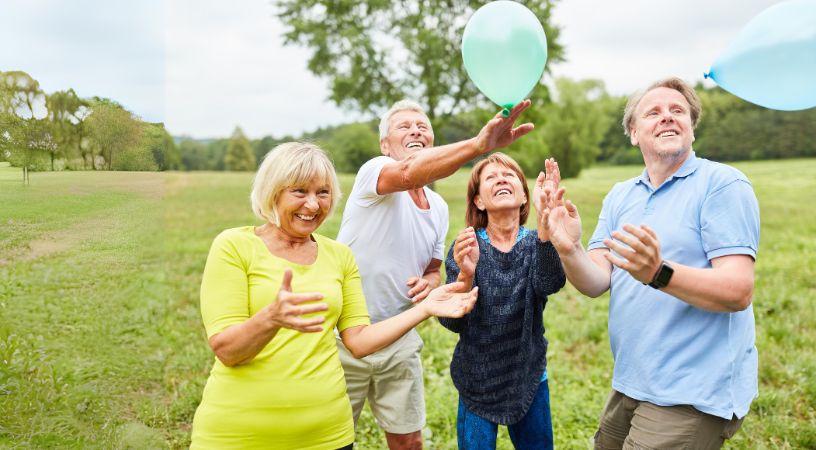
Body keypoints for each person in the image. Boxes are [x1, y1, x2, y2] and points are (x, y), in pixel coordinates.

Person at [191, 142, 478, 450]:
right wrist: (270, 318)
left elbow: (359, 341)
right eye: (299, 191)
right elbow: (227, 350)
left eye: (323, 193)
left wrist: (425, 309)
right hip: (239, 435)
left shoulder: (339, 255)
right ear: (272, 191)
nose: (313, 205)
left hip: (328, 435)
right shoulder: (234, 246)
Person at [539, 77, 761, 449]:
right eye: (653, 112)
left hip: (691, 392)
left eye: (678, 111)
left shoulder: (722, 184)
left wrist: (659, 273)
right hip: (632, 381)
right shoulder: (621, 195)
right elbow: (595, 282)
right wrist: (569, 247)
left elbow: (738, 291)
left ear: (691, 128)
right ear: (633, 133)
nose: (668, 118)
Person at [336, 100, 534, 449]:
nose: (415, 130)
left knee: (410, 441)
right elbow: (411, 171)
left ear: (432, 139)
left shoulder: (438, 207)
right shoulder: (375, 171)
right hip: (343, 335)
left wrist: (426, 283)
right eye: (404, 126)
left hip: (399, 336)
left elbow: (431, 270)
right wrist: (478, 145)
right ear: (385, 145)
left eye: (422, 126)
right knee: (333, 441)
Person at [440, 154, 566, 450]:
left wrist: (546, 231)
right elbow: (450, 321)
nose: (501, 179)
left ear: (524, 196)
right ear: (479, 201)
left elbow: (550, 284)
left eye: (509, 175)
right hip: (476, 380)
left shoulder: (537, 242)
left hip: (528, 375)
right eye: (491, 177)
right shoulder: (467, 247)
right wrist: (465, 275)